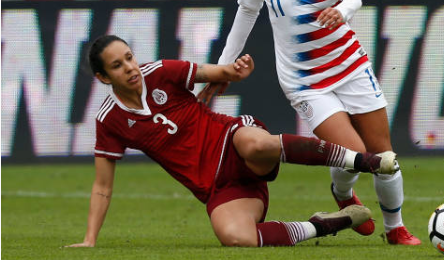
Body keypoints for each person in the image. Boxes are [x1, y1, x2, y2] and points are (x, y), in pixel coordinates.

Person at [199, 0, 421, 245]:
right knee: (354, 154)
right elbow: (245, 15)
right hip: (305, 81)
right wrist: (223, 67)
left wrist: (341, 11)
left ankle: (395, 228)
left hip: (350, 67)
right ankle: (344, 195)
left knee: (385, 157)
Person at [66, 35, 399, 248]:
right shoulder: (108, 120)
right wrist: (89, 240)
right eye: (117, 65)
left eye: (128, 57)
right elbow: (102, 186)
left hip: (233, 139)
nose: (129, 67)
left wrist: (237, 70)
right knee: (236, 237)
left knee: (258, 145)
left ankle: (367, 161)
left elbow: (219, 72)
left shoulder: (162, 71)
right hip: (218, 187)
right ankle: (327, 224)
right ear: (103, 77)